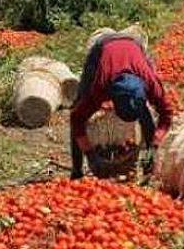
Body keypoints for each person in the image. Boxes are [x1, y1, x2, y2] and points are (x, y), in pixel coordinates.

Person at [69, 33, 173, 180]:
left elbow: (167, 115)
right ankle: (76, 171)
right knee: (78, 103)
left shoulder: (150, 84)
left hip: (134, 44)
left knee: (144, 115)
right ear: (111, 99)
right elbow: (76, 118)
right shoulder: (101, 86)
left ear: (145, 95)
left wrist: (155, 146)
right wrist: (90, 154)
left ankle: (149, 162)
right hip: (103, 46)